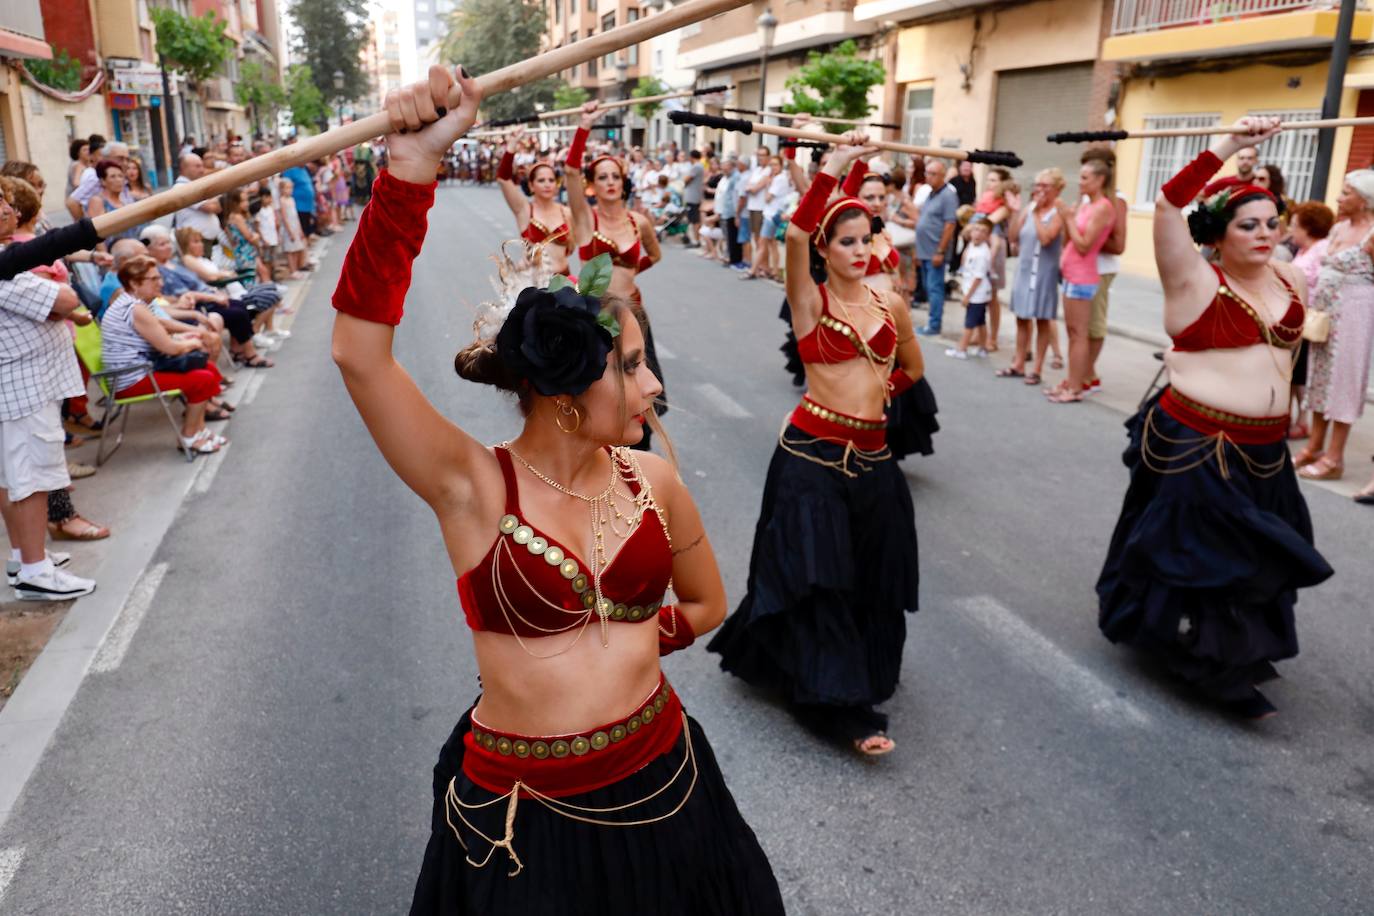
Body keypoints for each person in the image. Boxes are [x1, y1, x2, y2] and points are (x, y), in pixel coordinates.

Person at [331, 65, 783, 914]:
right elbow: (360, 354)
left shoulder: (653, 479)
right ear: (568, 391)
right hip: (522, 824)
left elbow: (709, 603)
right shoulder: (473, 487)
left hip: (667, 782)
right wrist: (410, 173)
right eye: (636, 367)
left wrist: (633, 642)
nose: (655, 389)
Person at [1097, 117, 1333, 718]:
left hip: (1266, 448)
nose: (1264, 234)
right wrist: (1231, 144)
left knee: (1258, 554)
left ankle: (1224, 651)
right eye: (1247, 225)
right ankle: (1213, 670)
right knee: (1211, 557)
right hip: (1202, 441)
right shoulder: (1195, 281)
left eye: (1271, 224)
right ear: (1218, 235)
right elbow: (1170, 202)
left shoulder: (1290, 277)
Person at [708, 132, 925, 757]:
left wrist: (884, 391)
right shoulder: (809, 302)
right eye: (845, 241)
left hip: (876, 461)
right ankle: (840, 707)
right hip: (810, 458)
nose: (858, 251)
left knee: (872, 579)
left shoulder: (891, 304)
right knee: (819, 580)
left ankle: (846, 669)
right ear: (827, 250)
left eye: (865, 239)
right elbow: (795, 235)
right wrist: (833, 168)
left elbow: (913, 368)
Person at [566, 102, 666, 452]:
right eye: (602, 177)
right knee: (595, 392)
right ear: (592, 184)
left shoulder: (639, 222)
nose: (610, 182)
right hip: (593, 316)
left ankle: (636, 462)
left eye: (615, 176)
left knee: (641, 391)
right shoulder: (585, 220)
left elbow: (654, 254)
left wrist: (633, 274)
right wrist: (584, 127)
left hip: (633, 313)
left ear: (624, 182)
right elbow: (568, 172)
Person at [0, 255, 97, 599]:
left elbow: (59, 307)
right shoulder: (6, 269)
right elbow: (67, 301)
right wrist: (56, 295)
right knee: (30, 480)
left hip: (22, 389)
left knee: (13, 479)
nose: (8, 209)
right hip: (24, 390)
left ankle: (23, 559)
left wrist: (53, 299)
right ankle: (35, 572)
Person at [101, 255, 227, 454]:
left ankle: (199, 430)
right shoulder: (134, 308)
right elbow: (170, 348)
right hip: (131, 378)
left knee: (207, 368)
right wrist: (196, 341)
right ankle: (188, 436)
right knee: (201, 378)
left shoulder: (138, 302)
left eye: (159, 277)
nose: (161, 283)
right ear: (134, 283)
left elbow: (163, 324)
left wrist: (197, 334)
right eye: (154, 279)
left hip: (142, 369)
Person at [1294, 170, 1374, 482]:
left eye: (1346, 193)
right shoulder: (1340, 227)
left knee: (1344, 380)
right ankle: (1314, 447)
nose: (1339, 198)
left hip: (1354, 312)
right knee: (1319, 377)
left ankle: (1334, 458)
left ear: (1364, 199)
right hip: (1325, 313)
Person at [1047, 158, 1116, 403]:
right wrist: (1069, 217)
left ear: (1100, 180)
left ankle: (1075, 388)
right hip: (1071, 275)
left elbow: (1085, 245)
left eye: (1086, 177)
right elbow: (1072, 239)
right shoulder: (1088, 204)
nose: (1080, 181)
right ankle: (1072, 381)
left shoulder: (1104, 207)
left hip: (1082, 276)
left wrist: (1067, 218)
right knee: (1073, 332)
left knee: (1079, 334)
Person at [1001, 168, 1065, 385]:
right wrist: (1015, 212)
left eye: (1045, 186)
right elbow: (1012, 237)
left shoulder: (1058, 212)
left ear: (1057, 189)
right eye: (1038, 185)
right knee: (1021, 317)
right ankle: (1018, 363)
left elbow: (1046, 239)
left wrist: (1037, 213)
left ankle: (1037, 368)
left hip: (1045, 272)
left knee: (1043, 319)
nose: (1040, 190)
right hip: (1025, 269)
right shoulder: (1029, 208)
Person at [495, 127, 576, 279]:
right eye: (541, 180)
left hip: (564, 283)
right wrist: (512, 145)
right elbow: (503, 179)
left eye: (551, 180)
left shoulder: (566, 212)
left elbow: (572, 247)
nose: (547, 184)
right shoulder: (524, 210)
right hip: (534, 284)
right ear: (531, 185)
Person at [1081, 147, 1129, 395]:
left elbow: (1119, 245)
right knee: (1081, 325)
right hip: (1081, 269)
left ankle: (1089, 374)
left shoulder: (1116, 200)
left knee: (1094, 324)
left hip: (1101, 269)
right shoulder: (1087, 199)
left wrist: (1089, 240)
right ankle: (1083, 372)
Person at [1285, 201, 1334, 441]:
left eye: (1295, 225)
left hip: (1309, 321)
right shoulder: (1304, 250)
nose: (1291, 229)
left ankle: (1302, 421)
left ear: (1309, 228)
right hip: (1297, 318)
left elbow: (1322, 286)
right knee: (1293, 373)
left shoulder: (1322, 250)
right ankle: (1293, 419)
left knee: (1301, 374)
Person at [914, 158, 959, 335]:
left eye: (933, 174)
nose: (929, 177)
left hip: (935, 251)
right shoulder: (931, 194)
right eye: (927, 173)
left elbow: (950, 225)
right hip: (925, 251)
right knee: (928, 287)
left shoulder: (948, 195)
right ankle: (931, 322)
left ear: (942, 176)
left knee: (935, 288)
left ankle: (934, 325)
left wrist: (940, 250)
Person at [948, 216, 993, 359]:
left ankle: (962, 349)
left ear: (987, 235)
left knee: (970, 323)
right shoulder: (972, 246)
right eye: (975, 230)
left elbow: (978, 277)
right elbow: (964, 260)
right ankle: (983, 348)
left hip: (977, 294)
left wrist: (967, 297)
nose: (978, 234)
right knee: (980, 321)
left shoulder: (982, 253)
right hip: (973, 291)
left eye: (982, 231)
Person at [172, 153, 223, 246]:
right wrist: (218, 198)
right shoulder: (182, 187)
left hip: (203, 241)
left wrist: (215, 200)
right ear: (184, 168)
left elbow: (218, 207)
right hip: (195, 242)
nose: (202, 170)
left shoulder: (194, 185)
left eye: (202, 166)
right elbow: (211, 208)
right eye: (197, 166)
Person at [682, 149, 704, 247]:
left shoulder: (697, 166)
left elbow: (687, 179)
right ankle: (694, 239)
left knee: (695, 220)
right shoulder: (697, 166)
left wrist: (685, 178)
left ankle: (696, 240)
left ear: (692, 157)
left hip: (693, 197)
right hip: (693, 196)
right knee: (692, 219)